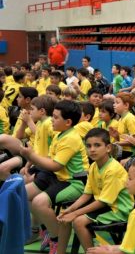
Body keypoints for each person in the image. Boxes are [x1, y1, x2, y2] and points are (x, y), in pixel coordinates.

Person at [21, 100, 89, 254]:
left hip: (74, 182)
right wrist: (31, 165)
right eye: (52, 116)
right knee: (24, 193)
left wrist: (30, 155)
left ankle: (56, 239)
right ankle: (46, 229)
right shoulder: (60, 135)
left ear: (68, 122)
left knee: (39, 202)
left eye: (56, 117)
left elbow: (55, 165)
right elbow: (50, 162)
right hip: (57, 177)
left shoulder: (71, 138)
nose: (52, 119)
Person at [57, 128, 133, 254]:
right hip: (105, 204)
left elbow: (103, 202)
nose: (92, 149)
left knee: (78, 222)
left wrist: (75, 214)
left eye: (97, 145)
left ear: (108, 148)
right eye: (89, 146)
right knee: (65, 217)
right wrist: (70, 210)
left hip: (118, 208)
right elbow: (87, 194)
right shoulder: (93, 166)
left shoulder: (113, 169)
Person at [110, 92, 135, 159]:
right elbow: (124, 138)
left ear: (126, 105)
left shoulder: (130, 118)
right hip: (123, 151)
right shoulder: (121, 118)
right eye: (114, 102)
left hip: (131, 153)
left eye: (117, 103)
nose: (114, 105)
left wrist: (117, 143)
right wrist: (116, 137)